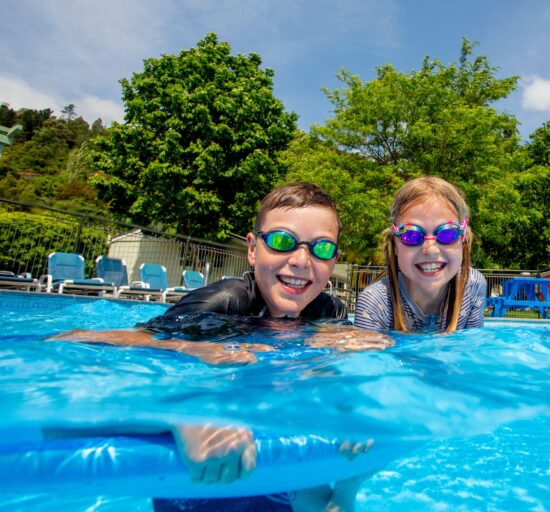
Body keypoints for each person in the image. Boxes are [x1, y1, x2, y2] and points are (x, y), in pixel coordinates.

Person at [50, 182, 390, 512]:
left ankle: (343, 490)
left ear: (333, 260)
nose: (302, 260)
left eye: (323, 247)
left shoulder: (328, 312)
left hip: (281, 462)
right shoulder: (222, 304)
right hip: (206, 469)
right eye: (283, 241)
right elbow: (73, 341)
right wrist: (185, 402)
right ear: (253, 249)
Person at [354, 176, 487, 333]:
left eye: (447, 233)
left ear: (463, 237)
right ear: (395, 243)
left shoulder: (472, 285)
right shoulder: (375, 303)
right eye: (411, 235)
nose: (431, 250)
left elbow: (470, 352)